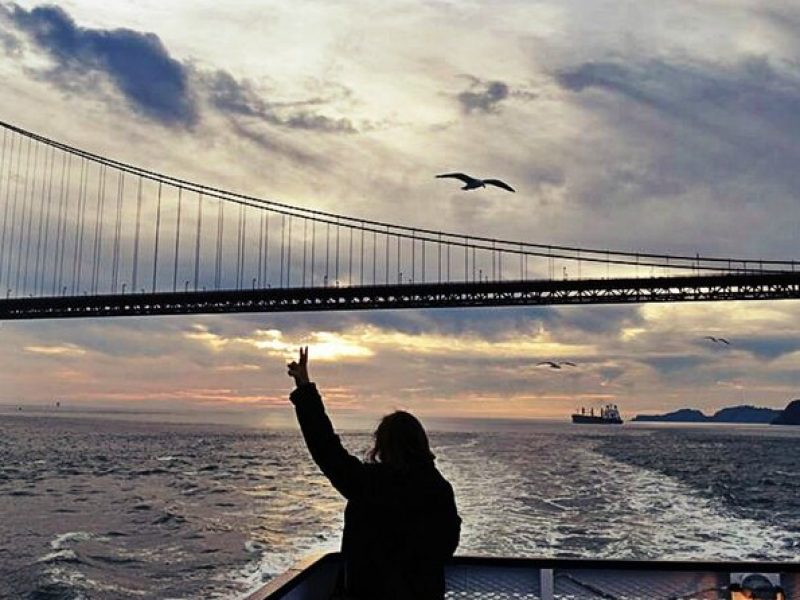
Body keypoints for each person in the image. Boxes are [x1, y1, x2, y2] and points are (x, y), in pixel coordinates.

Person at [287, 347, 461, 599]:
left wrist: (305, 390)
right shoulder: (439, 489)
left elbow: (325, 448)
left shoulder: (369, 484)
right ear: (421, 443)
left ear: (383, 445)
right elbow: (446, 547)